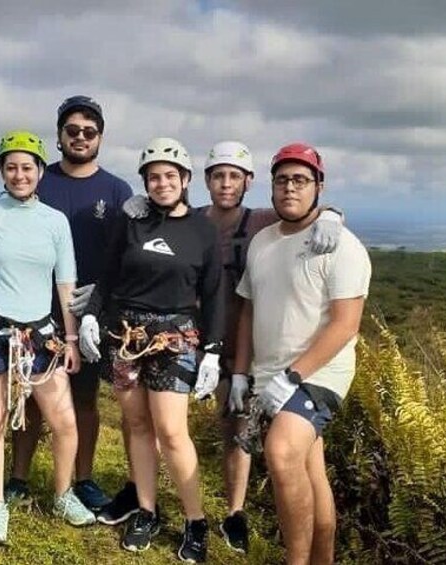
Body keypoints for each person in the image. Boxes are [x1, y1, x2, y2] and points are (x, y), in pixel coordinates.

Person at [121, 140, 344, 553]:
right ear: (203, 181)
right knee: (149, 422)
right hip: (192, 337)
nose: (226, 184)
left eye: (234, 177)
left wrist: (331, 214)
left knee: (236, 431)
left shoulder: (258, 220)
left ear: (248, 182)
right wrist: (137, 203)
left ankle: (234, 513)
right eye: (218, 176)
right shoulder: (193, 219)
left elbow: (301, 209)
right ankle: (141, 498)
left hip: (243, 344)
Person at [0, 130, 95, 544]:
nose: (19, 174)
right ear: (1, 172)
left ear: (41, 172)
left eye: (27, 167)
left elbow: (66, 283)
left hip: (41, 333)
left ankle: (63, 494)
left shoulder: (55, 222)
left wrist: (70, 339)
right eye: (11, 167)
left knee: (64, 421)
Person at [79, 137, 224, 562]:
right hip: (125, 334)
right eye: (153, 177)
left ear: (185, 180)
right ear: (145, 182)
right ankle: (146, 509)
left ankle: (195, 521)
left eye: (169, 176)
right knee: (137, 424)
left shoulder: (202, 230)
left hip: (175, 336)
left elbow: (214, 294)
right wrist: (91, 313)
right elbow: (108, 275)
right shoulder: (131, 223)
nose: (162, 183)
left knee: (172, 432)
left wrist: (213, 350)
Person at [232, 142, 371, 564]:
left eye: (300, 180)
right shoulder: (261, 242)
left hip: (318, 373)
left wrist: (292, 377)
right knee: (310, 470)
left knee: (281, 453)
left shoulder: (341, 245)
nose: (290, 188)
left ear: (319, 187)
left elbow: (345, 325)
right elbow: (248, 309)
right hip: (269, 373)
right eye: (282, 180)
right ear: (271, 187)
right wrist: (241, 373)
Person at [6, 96, 133, 513]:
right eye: (72, 130)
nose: (80, 137)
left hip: (88, 314)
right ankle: (19, 479)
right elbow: (6, 225)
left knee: (84, 401)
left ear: (100, 137)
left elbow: (127, 254)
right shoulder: (41, 181)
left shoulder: (117, 190)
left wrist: (101, 298)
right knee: (29, 397)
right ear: (59, 136)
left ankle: (83, 479)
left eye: (89, 131)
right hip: (33, 308)